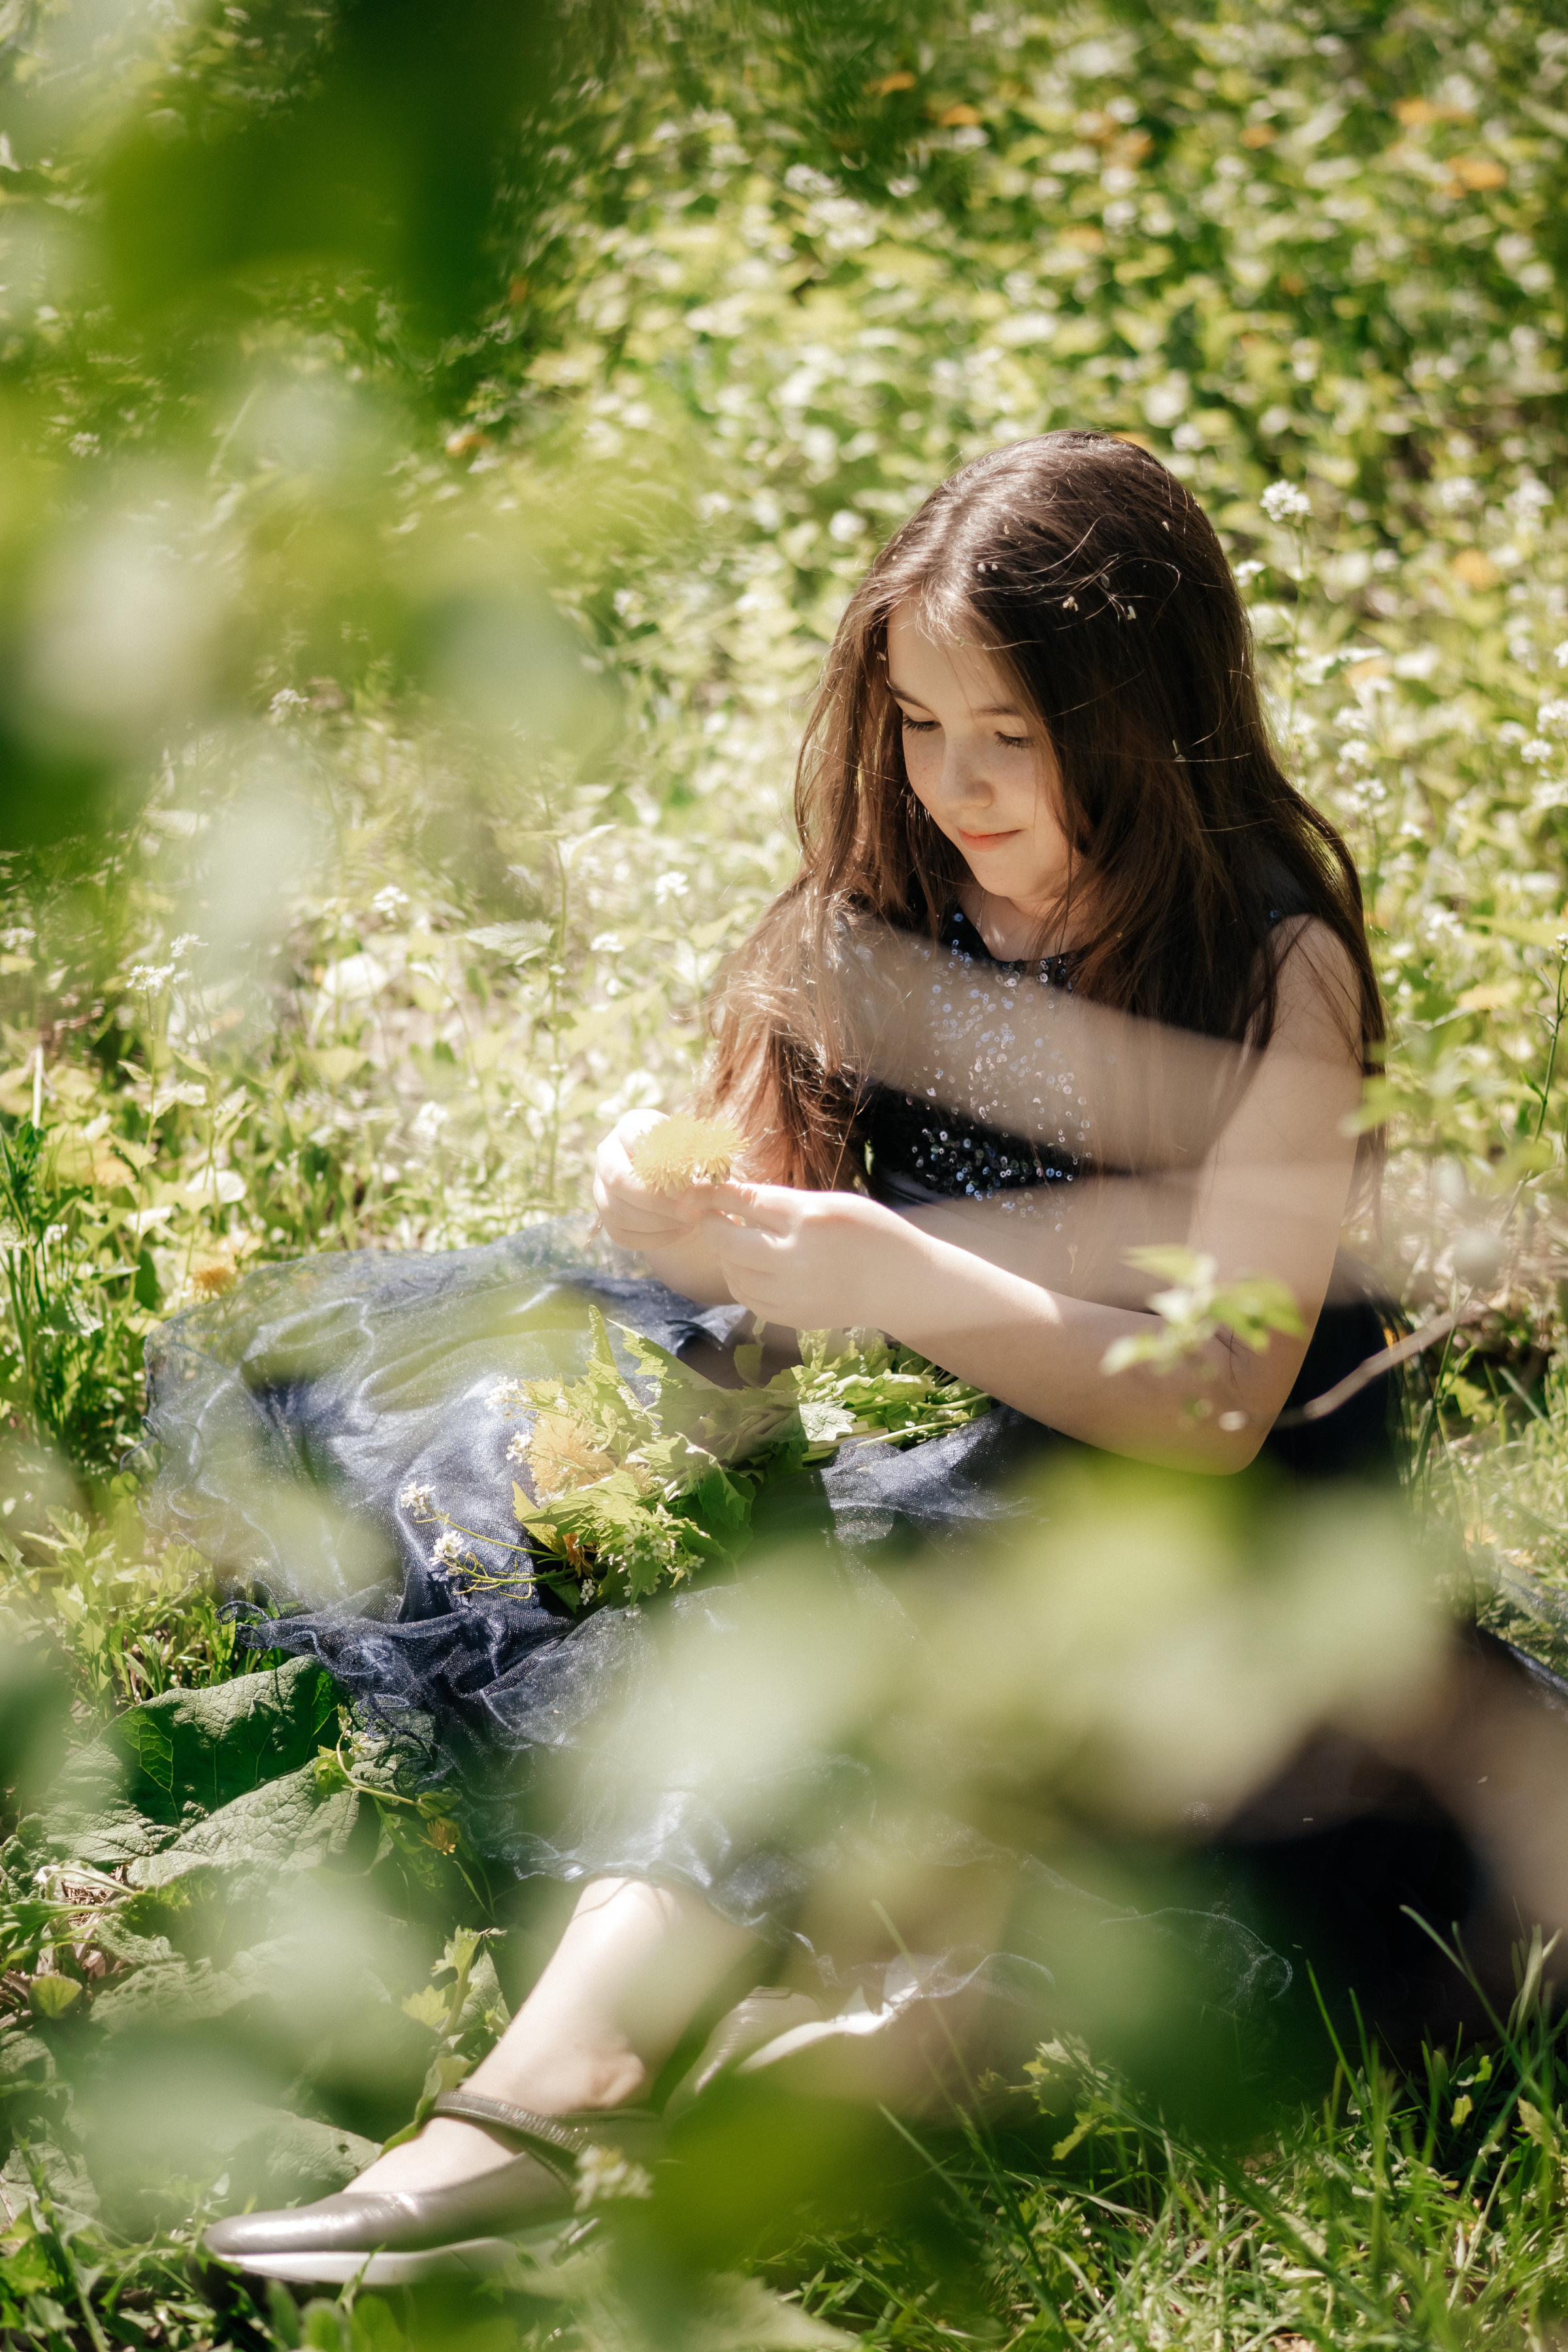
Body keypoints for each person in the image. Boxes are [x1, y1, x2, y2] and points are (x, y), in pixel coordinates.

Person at [185, 433, 1503, 2289]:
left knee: (946, 1702)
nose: (958, 785)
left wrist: (894, 1264)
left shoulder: (1267, 964)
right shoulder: (883, 914)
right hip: (1024, 1487)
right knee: (740, 1600)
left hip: (1256, 1565)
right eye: (920, 723)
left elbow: (1218, 1408)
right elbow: (754, 1308)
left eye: (1015, 738)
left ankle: (580, 2108)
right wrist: (704, 1236)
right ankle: (600, 2094)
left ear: (1145, 717)